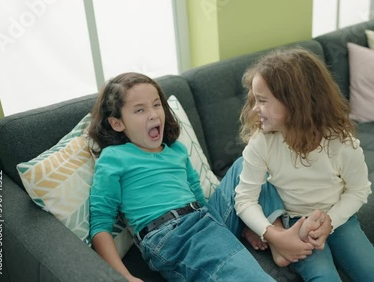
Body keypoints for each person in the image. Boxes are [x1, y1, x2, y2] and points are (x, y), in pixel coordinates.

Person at [88, 72, 285, 282]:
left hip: (204, 217)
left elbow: (199, 198)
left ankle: (276, 237)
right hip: (170, 235)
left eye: (156, 105)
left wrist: (239, 222)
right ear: (117, 123)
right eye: (139, 110)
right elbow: (100, 224)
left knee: (245, 165)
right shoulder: (114, 157)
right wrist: (125, 275)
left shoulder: (177, 150)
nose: (154, 115)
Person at [235, 48, 374, 281]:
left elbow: (359, 190)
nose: (254, 108)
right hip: (295, 224)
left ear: (294, 103)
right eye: (255, 99)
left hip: (337, 219)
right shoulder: (261, 142)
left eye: (262, 101)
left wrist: (330, 222)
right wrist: (273, 235)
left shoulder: (341, 143)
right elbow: (245, 199)